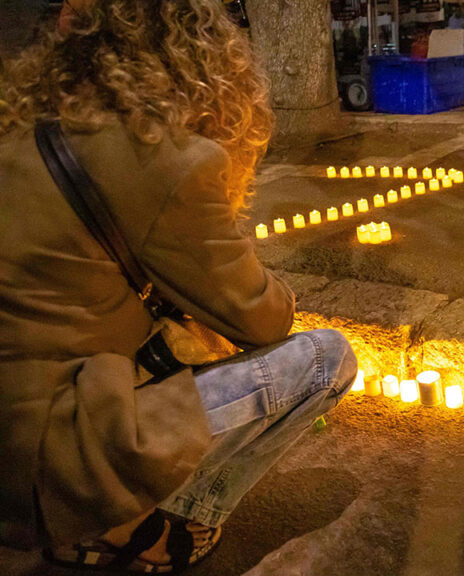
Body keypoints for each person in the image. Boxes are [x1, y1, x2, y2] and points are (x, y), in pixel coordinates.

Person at [0, 0, 358, 573]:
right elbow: (262, 319)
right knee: (326, 359)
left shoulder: (24, 130)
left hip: (17, 415)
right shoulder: (161, 156)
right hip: (43, 460)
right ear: (201, 60)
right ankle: (150, 524)